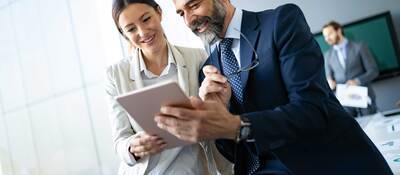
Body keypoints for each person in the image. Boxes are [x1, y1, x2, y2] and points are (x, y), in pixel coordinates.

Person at [154, 0, 393, 174]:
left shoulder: (281, 22)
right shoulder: (209, 68)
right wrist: (220, 113)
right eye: (181, 14)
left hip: (325, 163)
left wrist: (237, 125)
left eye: (194, 5)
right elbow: (234, 153)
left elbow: (313, 110)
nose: (189, 20)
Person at [105, 0, 232, 174]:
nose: (142, 32)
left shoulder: (198, 58)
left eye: (146, 19)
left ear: (159, 13)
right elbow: (121, 140)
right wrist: (132, 147)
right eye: (131, 29)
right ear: (124, 34)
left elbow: (219, 116)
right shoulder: (115, 75)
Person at [322, 21, 379, 117]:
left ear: (338, 30)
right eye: (325, 36)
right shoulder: (327, 55)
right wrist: (330, 83)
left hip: (364, 98)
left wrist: (357, 81)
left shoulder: (360, 47)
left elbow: (374, 71)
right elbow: (329, 78)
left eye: (330, 34)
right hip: (344, 103)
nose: (327, 38)